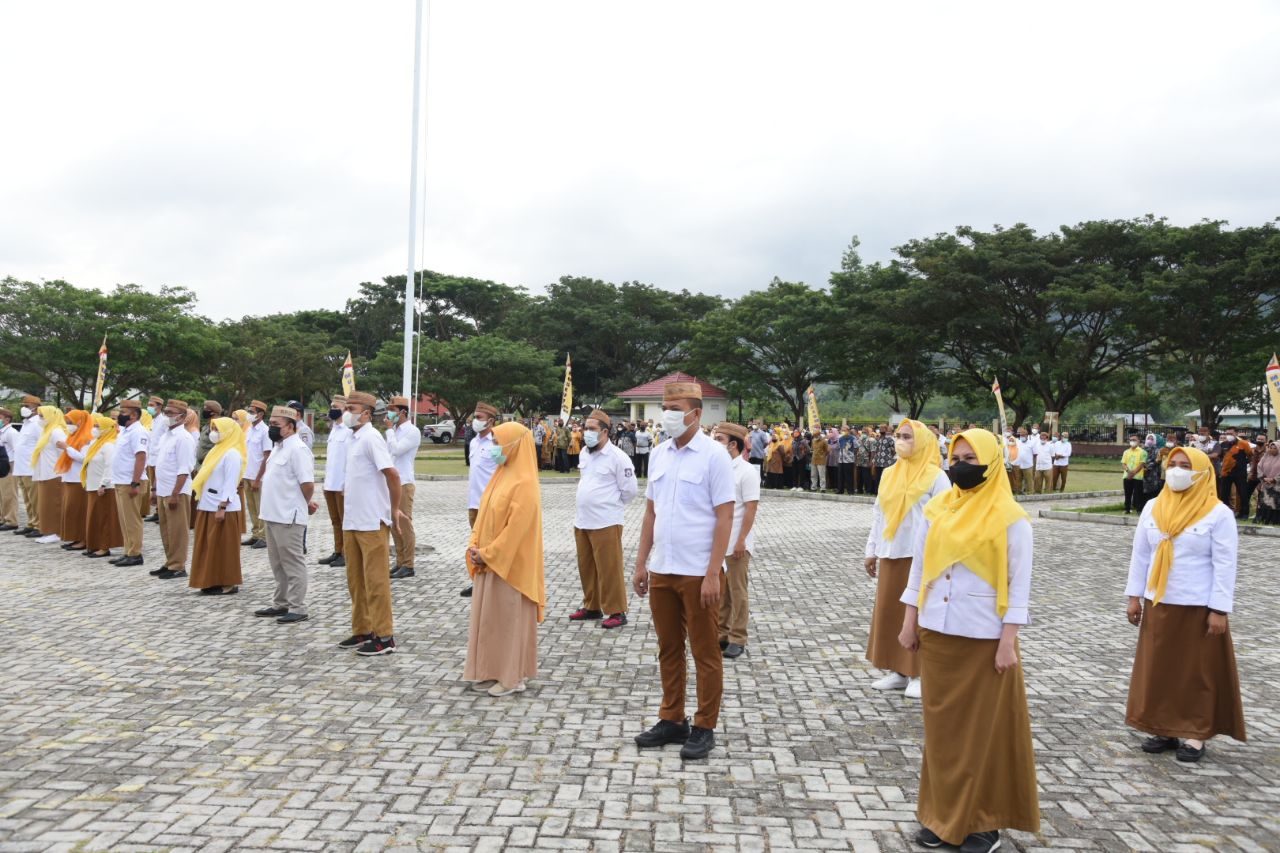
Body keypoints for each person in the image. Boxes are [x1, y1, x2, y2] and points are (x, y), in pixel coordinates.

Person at [898, 428, 1038, 853]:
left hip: (983, 637)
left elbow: (1019, 587)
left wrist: (1007, 642)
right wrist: (909, 622)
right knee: (943, 736)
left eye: (970, 459)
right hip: (937, 633)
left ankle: (981, 825)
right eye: (955, 457)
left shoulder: (1012, 518)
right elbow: (920, 571)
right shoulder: (938, 508)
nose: (960, 466)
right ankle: (941, 818)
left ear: (992, 464)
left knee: (982, 735)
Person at [631, 381, 735, 760]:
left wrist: (712, 573)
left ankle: (705, 724)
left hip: (697, 571)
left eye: (673, 407)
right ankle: (672, 717)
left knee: (705, 651)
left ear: (696, 413)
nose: (666, 414)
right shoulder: (659, 454)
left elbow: (725, 517)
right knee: (668, 648)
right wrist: (642, 563)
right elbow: (650, 513)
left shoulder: (714, 456)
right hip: (663, 569)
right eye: (664, 406)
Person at [1124, 446, 1245, 763]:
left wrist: (1219, 610)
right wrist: (1134, 596)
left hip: (1197, 607)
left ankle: (1194, 733)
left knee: (1195, 672)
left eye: (1185, 466)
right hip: (1159, 602)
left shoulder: (1218, 514)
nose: (1177, 471)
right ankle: (1163, 727)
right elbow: (1141, 556)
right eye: (1173, 464)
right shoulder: (1153, 507)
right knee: (1160, 670)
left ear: (1203, 473)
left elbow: (1224, 565)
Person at [864, 419, 950, 699]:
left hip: (920, 556)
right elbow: (879, 513)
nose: (900, 441)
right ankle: (898, 671)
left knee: (916, 616)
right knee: (890, 614)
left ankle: (919, 673)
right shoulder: (890, 473)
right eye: (898, 435)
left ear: (923, 442)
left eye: (907, 437)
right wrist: (871, 550)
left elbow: (945, 518)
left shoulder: (936, 476)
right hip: (891, 552)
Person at [464, 421, 546, 696]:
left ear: (514, 446)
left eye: (499, 443)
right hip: (489, 562)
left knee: (510, 621)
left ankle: (513, 678)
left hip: (511, 566)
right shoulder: (501, 474)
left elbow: (516, 531)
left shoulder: (525, 483)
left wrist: (488, 554)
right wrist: (475, 545)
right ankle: (491, 670)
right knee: (491, 620)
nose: (494, 448)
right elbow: (483, 515)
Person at [336, 391, 406, 657]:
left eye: (351, 407)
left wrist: (395, 509)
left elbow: (392, 474)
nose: (347, 412)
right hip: (353, 520)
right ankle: (363, 629)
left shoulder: (372, 437)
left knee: (376, 582)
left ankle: (385, 636)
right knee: (355, 581)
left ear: (366, 412)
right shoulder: (353, 438)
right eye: (346, 407)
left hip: (372, 521)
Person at [570, 409, 637, 629]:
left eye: (591, 429)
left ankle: (617, 610)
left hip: (606, 521)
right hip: (583, 520)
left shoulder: (618, 457)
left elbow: (630, 491)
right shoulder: (584, 454)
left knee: (609, 568)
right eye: (585, 428)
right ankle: (592, 607)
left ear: (605, 432)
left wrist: (609, 504)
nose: (586, 432)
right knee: (586, 567)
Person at [254, 405, 318, 624]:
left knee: (292, 562)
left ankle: (298, 607)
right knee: (277, 563)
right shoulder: (278, 447)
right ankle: (281, 603)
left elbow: (307, 484)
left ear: (290, 427)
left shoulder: (298, 449)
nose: (271, 428)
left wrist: (305, 502)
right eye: (270, 424)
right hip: (272, 514)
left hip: (288, 516)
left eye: (275, 425)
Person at [712, 422, 759, 660]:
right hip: (718, 542)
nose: (714, 442)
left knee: (737, 591)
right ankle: (722, 633)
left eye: (719, 439)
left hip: (737, 542)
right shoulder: (715, 468)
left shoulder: (746, 471)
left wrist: (742, 540)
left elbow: (750, 509)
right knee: (721, 592)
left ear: (733, 444)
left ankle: (738, 637)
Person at [189, 416, 245, 596]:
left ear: (228, 432)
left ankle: (228, 583)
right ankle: (210, 580)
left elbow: (230, 483)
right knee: (208, 547)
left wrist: (222, 507)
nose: (213, 433)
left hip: (223, 509)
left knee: (224, 548)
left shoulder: (232, 454)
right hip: (207, 505)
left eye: (217, 430)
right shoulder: (217, 450)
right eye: (212, 429)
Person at [150, 400, 196, 580]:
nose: (167, 416)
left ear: (182, 417)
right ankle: (169, 562)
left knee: (177, 530)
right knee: (166, 529)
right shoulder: (165, 436)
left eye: (171, 413)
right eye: (166, 412)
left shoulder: (184, 438)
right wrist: (154, 489)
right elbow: (159, 465)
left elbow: (185, 469)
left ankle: (178, 565)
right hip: (163, 489)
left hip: (176, 491)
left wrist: (175, 494)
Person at [461, 402, 502, 598]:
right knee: (475, 545)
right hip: (474, 502)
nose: (474, 421)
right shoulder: (475, 441)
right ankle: (477, 580)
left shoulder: (497, 443)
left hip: (490, 503)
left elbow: (504, 469)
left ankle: (493, 582)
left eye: (479, 418)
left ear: (491, 421)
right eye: (474, 417)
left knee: (489, 546)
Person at [108, 400, 150, 566]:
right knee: (124, 520)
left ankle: (135, 553)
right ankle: (128, 550)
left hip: (131, 482)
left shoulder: (138, 432)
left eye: (123, 411)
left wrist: (135, 482)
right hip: (120, 480)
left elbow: (141, 457)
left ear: (133, 414)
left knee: (132, 520)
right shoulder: (125, 431)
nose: (120, 415)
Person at [385, 395, 422, 579]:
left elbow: (397, 450)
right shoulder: (395, 431)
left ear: (403, 412)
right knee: (394, 523)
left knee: (404, 523)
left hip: (404, 482)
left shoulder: (412, 431)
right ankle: (399, 561)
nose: (389, 413)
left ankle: (408, 564)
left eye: (392, 410)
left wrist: (389, 431)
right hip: (391, 482)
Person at [80, 414, 123, 559]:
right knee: (94, 518)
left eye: (98, 426)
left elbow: (110, 466)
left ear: (106, 429)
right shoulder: (97, 443)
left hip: (103, 487)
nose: (94, 429)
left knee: (103, 518)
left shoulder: (109, 445)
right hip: (93, 486)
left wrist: (103, 484)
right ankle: (94, 544)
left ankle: (104, 547)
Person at [54, 409, 94, 551]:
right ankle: (76, 537)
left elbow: (84, 458)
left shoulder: (86, 438)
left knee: (79, 511)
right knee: (71, 510)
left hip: (79, 479)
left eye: (70, 422)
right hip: (69, 478)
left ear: (79, 422)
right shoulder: (73, 436)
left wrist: (67, 448)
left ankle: (83, 539)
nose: (68, 425)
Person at [318, 395, 350, 569]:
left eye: (335, 406)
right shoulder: (334, 429)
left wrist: (346, 483)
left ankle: (346, 553)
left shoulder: (348, 430)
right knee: (335, 520)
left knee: (345, 520)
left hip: (341, 485)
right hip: (330, 482)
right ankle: (337, 551)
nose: (332, 409)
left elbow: (349, 460)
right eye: (331, 405)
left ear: (345, 408)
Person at [30, 405, 68, 545]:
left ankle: (56, 532)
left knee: (54, 504)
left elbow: (64, 451)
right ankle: (48, 531)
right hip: (44, 473)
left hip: (53, 473)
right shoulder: (47, 431)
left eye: (42, 416)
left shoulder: (57, 431)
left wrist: (60, 470)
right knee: (45, 505)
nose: (40, 419)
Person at [1217, 428, 1251, 519]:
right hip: (1226, 473)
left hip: (1240, 473)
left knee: (1242, 493)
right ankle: (1225, 514)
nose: (1229, 435)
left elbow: (1250, 455)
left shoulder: (1243, 444)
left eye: (1231, 433)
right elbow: (1220, 457)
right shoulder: (1223, 444)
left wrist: (1242, 463)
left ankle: (1244, 513)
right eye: (1227, 433)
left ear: (1236, 433)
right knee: (1224, 494)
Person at [141, 394, 165, 523]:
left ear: (159, 407)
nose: (149, 408)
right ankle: (157, 511)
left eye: (151, 405)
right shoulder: (151, 421)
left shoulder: (164, 421)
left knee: (159, 486)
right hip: (151, 459)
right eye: (148, 405)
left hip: (159, 459)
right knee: (153, 487)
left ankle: (161, 512)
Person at [1252, 440, 1280, 525]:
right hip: (1265, 484)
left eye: (1275, 448)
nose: (1272, 450)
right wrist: (1264, 478)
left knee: (1274, 503)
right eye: (1271, 448)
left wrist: (1274, 479)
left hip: (1277, 485)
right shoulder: (1266, 456)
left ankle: (1274, 520)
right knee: (1264, 502)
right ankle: (1263, 519)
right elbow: (1259, 467)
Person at [0, 407, 18, 531]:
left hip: (10, 465)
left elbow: (17, 450)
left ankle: (11, 520)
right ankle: (3, 518)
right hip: (2, 464)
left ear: (7, 419)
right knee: (2, 494)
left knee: (9, 494)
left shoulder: (12, 432)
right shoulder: (2, 431)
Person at [1122, 434, 1147, 514]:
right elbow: (1123, 463)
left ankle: (1139, 510)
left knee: (1138, 494)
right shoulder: (1126, 452)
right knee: (1127, 493)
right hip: (1127, 476)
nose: (1132, 441)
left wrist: (1133, 473)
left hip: (1138, 476)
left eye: (1134, 440)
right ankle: (1127, 509)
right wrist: (1128, 471)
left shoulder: (1143, 452)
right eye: (1131, 440)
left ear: (1138, 441)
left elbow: (1142, 464)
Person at [872, 424, 897, 495]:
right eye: (880, 428)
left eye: (883, 428)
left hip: (887, 462)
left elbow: (894, 450)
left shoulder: (890, 439)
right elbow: (875, 451)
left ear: (886, 430)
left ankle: (886, 492)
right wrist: (874, 460)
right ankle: (878, 492)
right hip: (878, 462)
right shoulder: (877, 439)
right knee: (878, 478)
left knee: (886, 478)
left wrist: (889, 456)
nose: (881, 430)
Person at [196, 400, 222, 464]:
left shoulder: (217, 427)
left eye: (206, 409)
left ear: (213, 413)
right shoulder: (206, 426)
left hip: (210, 464)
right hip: (200, 464)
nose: (204, 411)